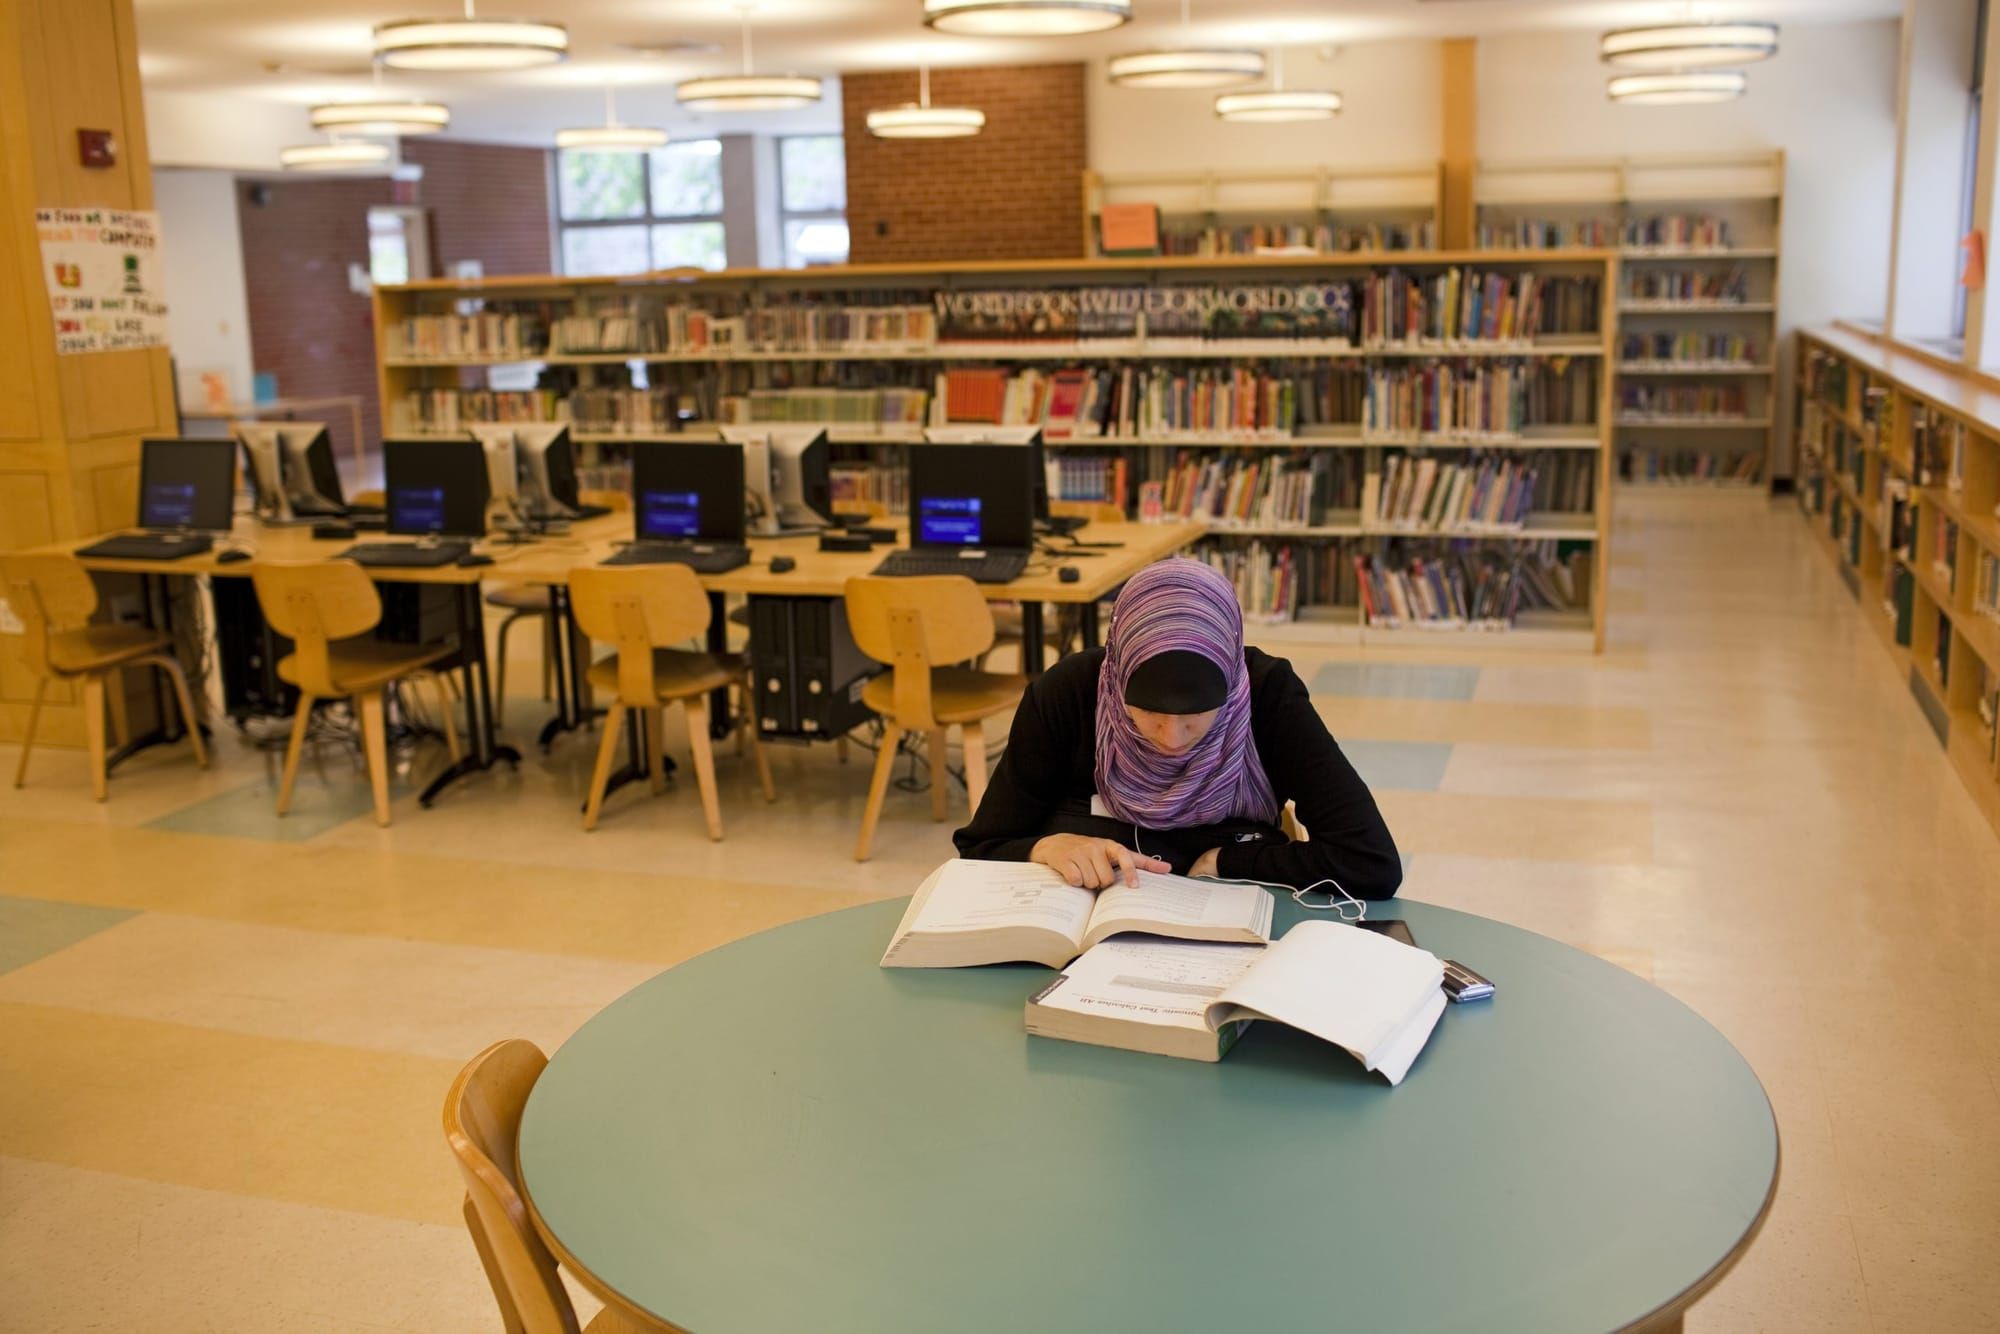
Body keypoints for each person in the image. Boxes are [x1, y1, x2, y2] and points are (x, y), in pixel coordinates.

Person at [954, 558, 1401, 897]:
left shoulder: (1267, 695)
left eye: (1195, 721)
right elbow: (981, 846)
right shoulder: (1071, 692)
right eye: (1149, 715)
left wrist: (1229, 861)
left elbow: (1370, 861)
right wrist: (1048, 847)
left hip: (1226, 918)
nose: (1170, 740)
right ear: (1117, 681)